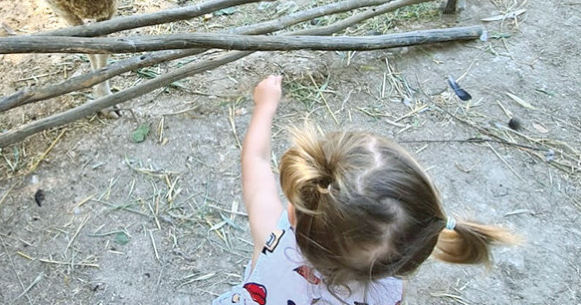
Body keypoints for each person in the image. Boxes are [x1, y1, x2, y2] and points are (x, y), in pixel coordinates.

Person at [215, 75, 517, 305]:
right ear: (407, 258)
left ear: (292, 215)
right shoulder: (389, 293)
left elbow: (254, 162)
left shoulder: (274, 240)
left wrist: (265, 105)